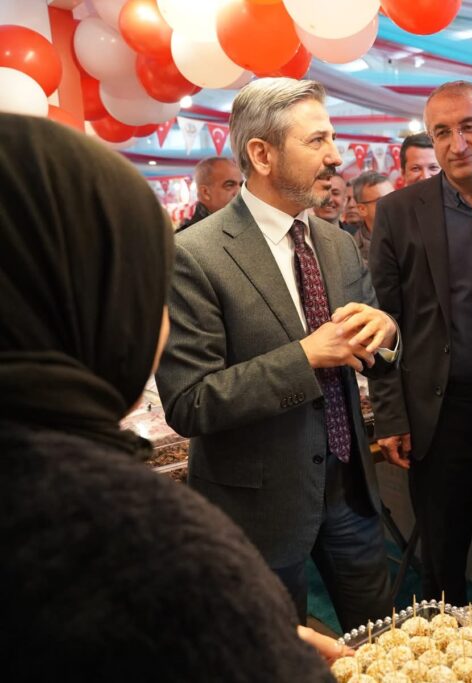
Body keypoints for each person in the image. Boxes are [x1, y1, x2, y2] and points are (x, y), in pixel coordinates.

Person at [0, 114, 340, 680]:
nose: (161, 326)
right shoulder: (131, 534)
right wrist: (243, 633)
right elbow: (193, 400)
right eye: (149, 291)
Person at [156, 78, 400, 629]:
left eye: (332, 137)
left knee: (382, 640)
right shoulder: (194, 255)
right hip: (258, 508)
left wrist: (387, 332)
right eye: (317, 141)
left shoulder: (336, 242)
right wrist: (305, 355)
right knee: (275, 652)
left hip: (350, 490)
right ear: (262, 155)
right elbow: (190, 403)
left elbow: (375, 344)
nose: (336, 156)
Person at [369, 81, 472, 604]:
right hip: (438, 413)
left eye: (468, 127)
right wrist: (391, 414)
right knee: (442, 555)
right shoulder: (398, 211)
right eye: (442, 132)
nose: (457, 144)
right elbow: (384, 319)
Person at [176, 156, 242, 232]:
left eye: (241, 185)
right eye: (229, 185)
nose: (239, 191)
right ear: (205, 192)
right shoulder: (188, 235)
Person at [350, 170, 394, 265]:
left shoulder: (412, 234)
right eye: (384, 200)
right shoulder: (351, 250)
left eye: (394, 197)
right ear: (362, 209)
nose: (393, 205)